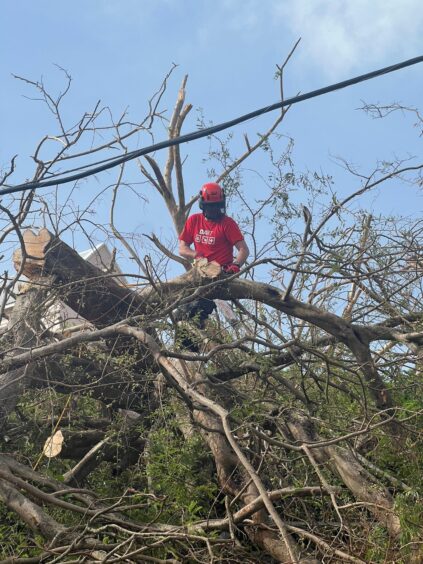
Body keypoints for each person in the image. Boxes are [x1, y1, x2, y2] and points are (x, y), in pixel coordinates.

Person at [175, 182, 249, 329]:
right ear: (203, 205)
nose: (214, 210)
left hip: (221, 274)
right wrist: (196, 254)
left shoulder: (227, 223)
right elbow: (182, 248)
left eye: (217, 206)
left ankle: (193, 342)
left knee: (199, 308)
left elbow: (243, 250)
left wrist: (235, 266)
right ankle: (187, 345)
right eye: (211, 207)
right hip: (200, 272)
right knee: (180, 312)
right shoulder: (194, 220)